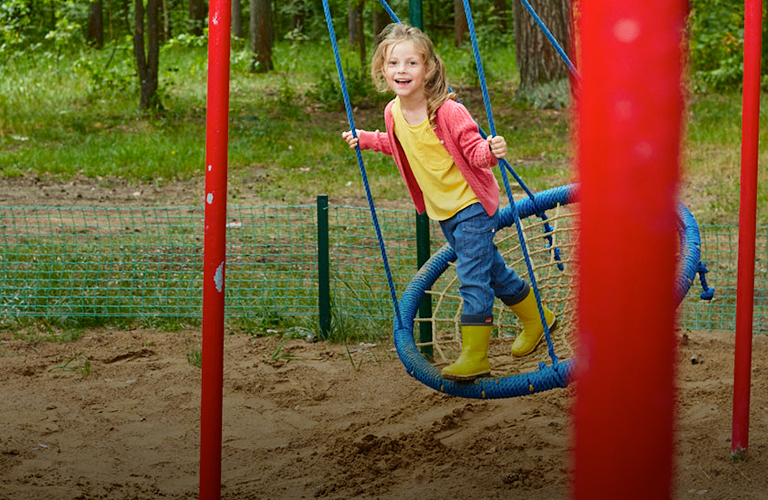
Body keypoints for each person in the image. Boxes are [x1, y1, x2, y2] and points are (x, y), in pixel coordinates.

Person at [341, 23, 556, 382]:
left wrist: (490, 150)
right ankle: (538, 319)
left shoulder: (447, 111)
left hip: (470, 205)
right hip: (443, 210)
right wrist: (366, 139)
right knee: (492, 272)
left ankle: (475, 355)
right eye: (394, 63)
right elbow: (399, 143)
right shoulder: (393, 112)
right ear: (382, 69)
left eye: (411, 63)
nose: (402, 71)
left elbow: (473, 150)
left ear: (428, 68)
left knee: (472, 278)